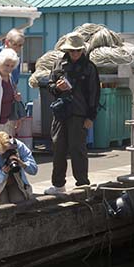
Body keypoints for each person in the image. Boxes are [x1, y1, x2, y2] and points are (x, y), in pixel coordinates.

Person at [44, 32, 100, 195]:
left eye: (78, 50)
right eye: (72, 50)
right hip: (61, 113)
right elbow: (49, 86)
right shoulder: (58, 64)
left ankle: (82, 184)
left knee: (78, 149)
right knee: (58, 149)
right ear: (67, 50)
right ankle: (58, 184)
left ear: (82, 50)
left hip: (79, 114)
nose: (75, 53)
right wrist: (57, 87)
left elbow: (95, 94)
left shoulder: (89, 67)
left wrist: (91, 117)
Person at [0, 132, 38, 204]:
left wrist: (23, 164)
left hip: (16, 180)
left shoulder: (19, 146)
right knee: (2, 205)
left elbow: (34, 170)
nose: (7, 155)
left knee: (20, 203)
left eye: (9, 151)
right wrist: (3, 172)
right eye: (4, 154)